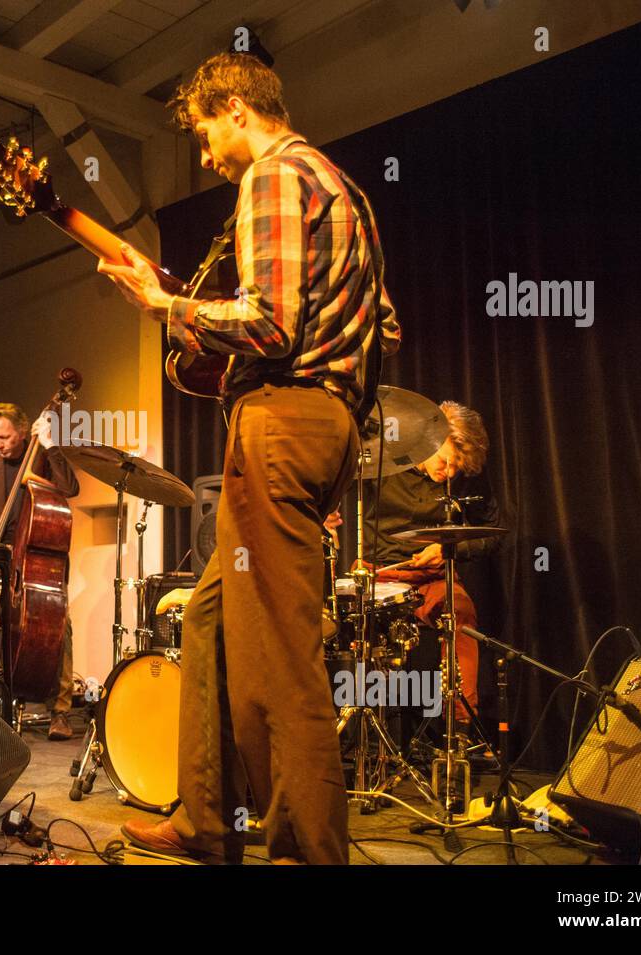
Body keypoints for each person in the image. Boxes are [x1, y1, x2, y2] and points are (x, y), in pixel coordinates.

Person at [99, 53, 400, 864]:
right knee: (207, 620)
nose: (204, 153)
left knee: (277, 653)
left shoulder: (270, 177)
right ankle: (206, 819)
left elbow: (270, 324)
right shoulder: (347, 191)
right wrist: (213, 347)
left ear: (235, 107)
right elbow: (383, 329)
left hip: (281, 426)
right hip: (320, 421)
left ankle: (306, 848)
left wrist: (168, 303)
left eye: (203, 131)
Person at [332, 400, 501, 725]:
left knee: (460, 612)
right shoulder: (383, 458)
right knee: (359, 629)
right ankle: (369, 730)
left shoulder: (465, 478)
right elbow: (332, 482)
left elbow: (492, 534)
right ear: (433, 437)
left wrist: (451, 549)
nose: (449, 474)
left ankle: (460, 728)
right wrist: (326, 513)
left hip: (432, 574)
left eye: (458, 469)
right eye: (448, 461)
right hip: (379, 572)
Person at [0, 403, 80, 740]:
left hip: (39, 565)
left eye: (5, 436)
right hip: (0, 561)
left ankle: (59, 712)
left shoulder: (42, 458)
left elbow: (70, 488)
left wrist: (49, 444)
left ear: (23, 431)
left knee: (60, 629)